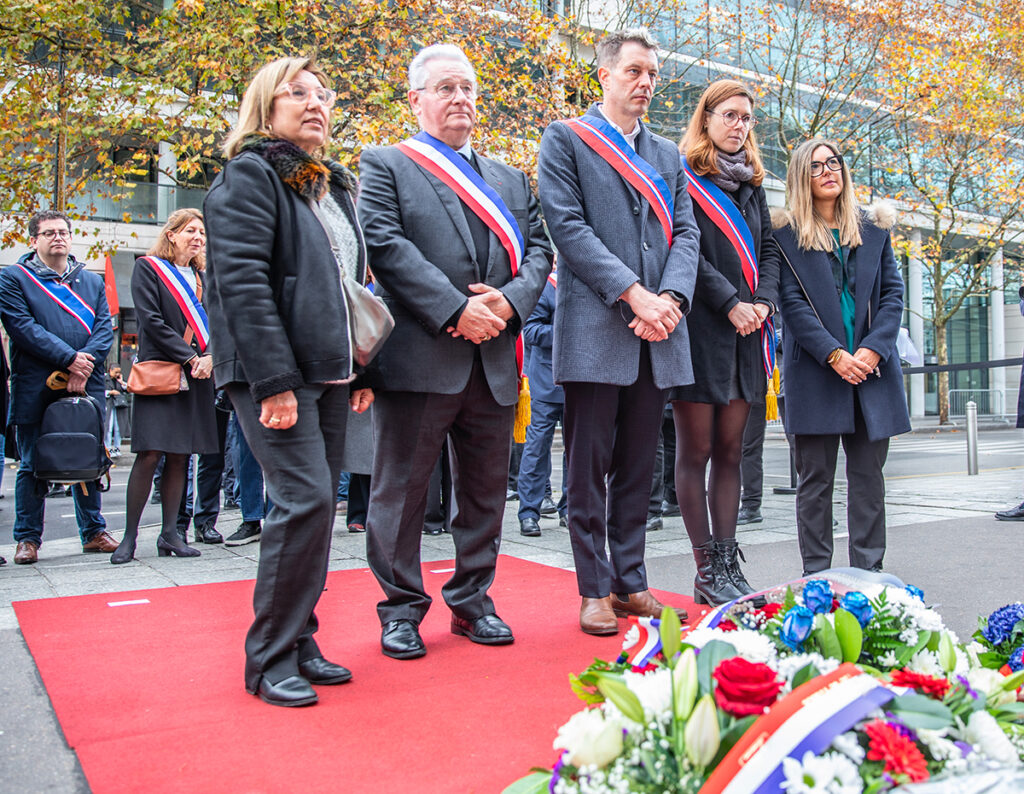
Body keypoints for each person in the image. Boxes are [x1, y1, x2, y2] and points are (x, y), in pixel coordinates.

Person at [358, 43, 551, 660]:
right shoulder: (386, 163)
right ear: (415, 99)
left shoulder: (511, 179)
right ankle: (401, 609)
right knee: (401, 494)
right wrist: (455, 309)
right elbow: (384, 245)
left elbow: (541, 251)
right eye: (444, 88)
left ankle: (473, 602)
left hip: (493, 360)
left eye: (467, 87)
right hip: (419, 358)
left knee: (486, 493)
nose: (460, 98)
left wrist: (507, 303)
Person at [204, 56, 375, 707]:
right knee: (301, 501)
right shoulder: (250, 177)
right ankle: (269, 655)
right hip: (274, 375)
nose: (314, 102)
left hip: (328, 373)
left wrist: (363, 369)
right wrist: (273, 382)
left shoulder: (326, 186)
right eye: (296, 92)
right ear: (264, 107)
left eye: (323, 93)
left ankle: (301, 638)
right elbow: (242, 286)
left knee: (317, 510)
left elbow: (347, 290)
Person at [537, 28, 699, 635]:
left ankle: (631, 581)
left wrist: (671, 300)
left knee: (638, 466)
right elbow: (568, 228)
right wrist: (635, 294)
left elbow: (686, 233)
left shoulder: (666, 154)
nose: (645, 83)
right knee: (587, 466)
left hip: (658, 332)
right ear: (604, 74)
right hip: (598, 328)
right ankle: (593, 587)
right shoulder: (566, 139)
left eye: (652, 74)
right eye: (634, 72)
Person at [774, 138, 910, 575]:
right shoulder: (785, 237)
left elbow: (892, 295)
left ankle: (869, 574)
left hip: (873, 372)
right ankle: (817, 576)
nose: (828, 170)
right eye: (816, 167)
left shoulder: (874, 229)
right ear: (801, 177)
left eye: (833, 162)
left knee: (869, 482)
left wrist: (873, 349)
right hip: (816, 372)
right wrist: (834, 354)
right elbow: (790, 306)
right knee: (815, 483)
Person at [671, 79, 781, 605]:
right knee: (696, 450)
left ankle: (728, 561)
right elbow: (684, 252)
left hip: (747, 336)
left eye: (747, 117)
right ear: (707, 117)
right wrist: (730, 302)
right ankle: (704, 568)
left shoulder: (754, 185)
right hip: (702, 333)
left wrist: (762, 302)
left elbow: (769, 253)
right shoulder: (683, 176)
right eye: (730, 115)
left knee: (732, 452)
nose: (739, 125)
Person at [0, 210, 117, 564]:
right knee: (33, 460)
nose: (58, 238)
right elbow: (22, 328)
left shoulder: (92, 281)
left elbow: (103, 328)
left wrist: (86, 362)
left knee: (89, 455)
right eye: (49, 233)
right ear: (33, 240)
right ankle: (27, 539)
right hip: (37, 382)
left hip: (87, 380)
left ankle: (94, 531)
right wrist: (70, 360)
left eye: (63, 232)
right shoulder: (14, 279)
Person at [111, 208, 218, 564]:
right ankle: (129, 537)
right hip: (162, 373)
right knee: (150, 454)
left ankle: (171, 534)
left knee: (181, 456)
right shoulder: (149, 269)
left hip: (199, 376)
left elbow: (221, 321)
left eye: (202, 232)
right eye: (190, 230)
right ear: (171, 234)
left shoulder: (205, 276)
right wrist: (189, 358)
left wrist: (211, 356)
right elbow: (152, 321)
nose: (198, 237)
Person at [517, 272, 566, 536]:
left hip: (578, 383)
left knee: (577, 453)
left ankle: (569, 509)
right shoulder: (545, 286)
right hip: (546, 383)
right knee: (535, 450)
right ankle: (528, 513)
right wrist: (566, 329)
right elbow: (531, 330)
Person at [104, 365, 128, 457]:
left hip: (118, 405)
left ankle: (117, 447)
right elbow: (99, 391)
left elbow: (128, 388)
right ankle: (108, 448)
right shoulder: (104, 378)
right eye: (116, 372)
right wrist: (110, 392)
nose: (117, 374)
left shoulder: (118, 380)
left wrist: (121, 382)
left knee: (118, 427)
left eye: (119, 372)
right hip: (109, 404)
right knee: (108, 427)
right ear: (110, 370)